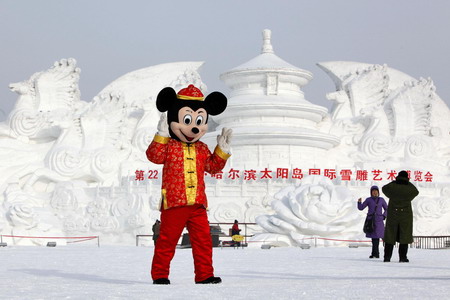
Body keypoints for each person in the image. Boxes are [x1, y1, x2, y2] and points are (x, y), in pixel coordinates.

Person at [147, 85, 232, 285]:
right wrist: (160, 135)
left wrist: (222, 150)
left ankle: (205, 275)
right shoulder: (168, 146)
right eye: (188, 120)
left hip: (198, 204)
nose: (194, 127)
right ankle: (160, 275)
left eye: (199, 121)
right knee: (167, 241)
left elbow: (212, 167)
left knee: (203, 242)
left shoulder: (202, 148)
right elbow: (154, 156)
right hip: (175, 203)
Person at [382, 170, 419, 263]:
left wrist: (395, 182)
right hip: (405, 215)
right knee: (404, 236)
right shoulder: (408, 187)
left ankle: (387, 257)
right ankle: (403, 257)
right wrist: (407, 182)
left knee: (390, 236)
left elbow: (384, 188)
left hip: (393, 214)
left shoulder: (393, 186)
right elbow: (416, 191)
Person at [358, 186, 388, 258]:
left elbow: (387, 209)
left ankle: (376, 253)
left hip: (379, 221)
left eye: (376, 191)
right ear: (371, 192)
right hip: (371, 221)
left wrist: (384, 216)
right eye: (373, 191)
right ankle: (375, 253)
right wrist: (359, 203)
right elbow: (361, 208)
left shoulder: (381, 200)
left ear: (378, 192)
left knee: (377, 237)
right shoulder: (368, 200)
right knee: (374, 238)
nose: (375, 192)